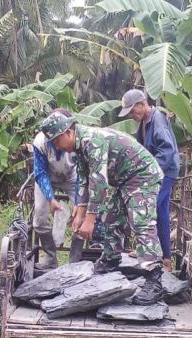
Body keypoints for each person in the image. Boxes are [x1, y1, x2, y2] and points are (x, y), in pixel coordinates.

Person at [40, 111, 164, 305]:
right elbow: (84, 179)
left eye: (56, 141)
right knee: (111, 218)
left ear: (68, 133)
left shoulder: (92, 141)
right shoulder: (79, 147)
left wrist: (89, 220)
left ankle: (154, 280)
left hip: (143, 175)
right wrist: (80, 213)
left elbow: (99, 183)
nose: (57, 147)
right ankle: (111, 260)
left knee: (141, 222)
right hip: (125, 179)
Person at [118, 89, 181, 272]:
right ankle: (162, 257)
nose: (131, 115)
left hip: (165, 171)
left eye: (132, 110)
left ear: (142, 104)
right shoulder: (144, 122)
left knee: (149, 207)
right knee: (159, 211)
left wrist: (149, 172)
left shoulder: (157, 120)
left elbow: (167, 151)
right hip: (157, 171)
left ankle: (157, 256)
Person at [30, 108, 85, 269]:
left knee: (82, 213)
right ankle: (50, 258)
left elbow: (83, 175)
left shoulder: (77, 140)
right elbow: (40, 173)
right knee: (40, 215)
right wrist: (51, 199)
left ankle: (75, 260)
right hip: (48, 175)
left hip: (72, 175)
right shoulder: (40, 142)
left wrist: (79, 204)